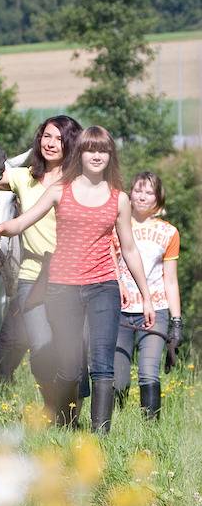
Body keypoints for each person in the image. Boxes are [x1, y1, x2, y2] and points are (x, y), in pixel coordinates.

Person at [0, 126, 155, 433]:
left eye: (102, 150)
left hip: (103, 287)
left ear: (110, 156)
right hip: (62, 289)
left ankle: (100, 438)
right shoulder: (59, 191)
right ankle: (65, 423)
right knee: (68, 366)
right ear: (79, 153)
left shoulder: (119, 199)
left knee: (102, 365)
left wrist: (145, 297)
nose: (96, 155)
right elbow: (22, 221)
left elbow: (129, 249)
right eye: (90, 149)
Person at [0, 115, 82, 390]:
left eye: (59, 139)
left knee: (70, 351)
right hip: (32, 276)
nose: (50, 143)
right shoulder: (24, 177)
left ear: (71, 144)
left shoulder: (80, 184)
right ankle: (54, 410)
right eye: (46, 136)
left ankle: (70, 411)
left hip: (73, 277)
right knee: (41, 350)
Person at [113, 171, 182, 419]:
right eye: (138, 190)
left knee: (148, 372)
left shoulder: (169, 232)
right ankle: (117, 423)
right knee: (118, 379)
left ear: (158, 198)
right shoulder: (114, 225)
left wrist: (176, 321)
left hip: (155, 311)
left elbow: (170, 280)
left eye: (149, 192)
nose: (142, 196)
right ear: (130, 193)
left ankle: (150, 431)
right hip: (120, 310)